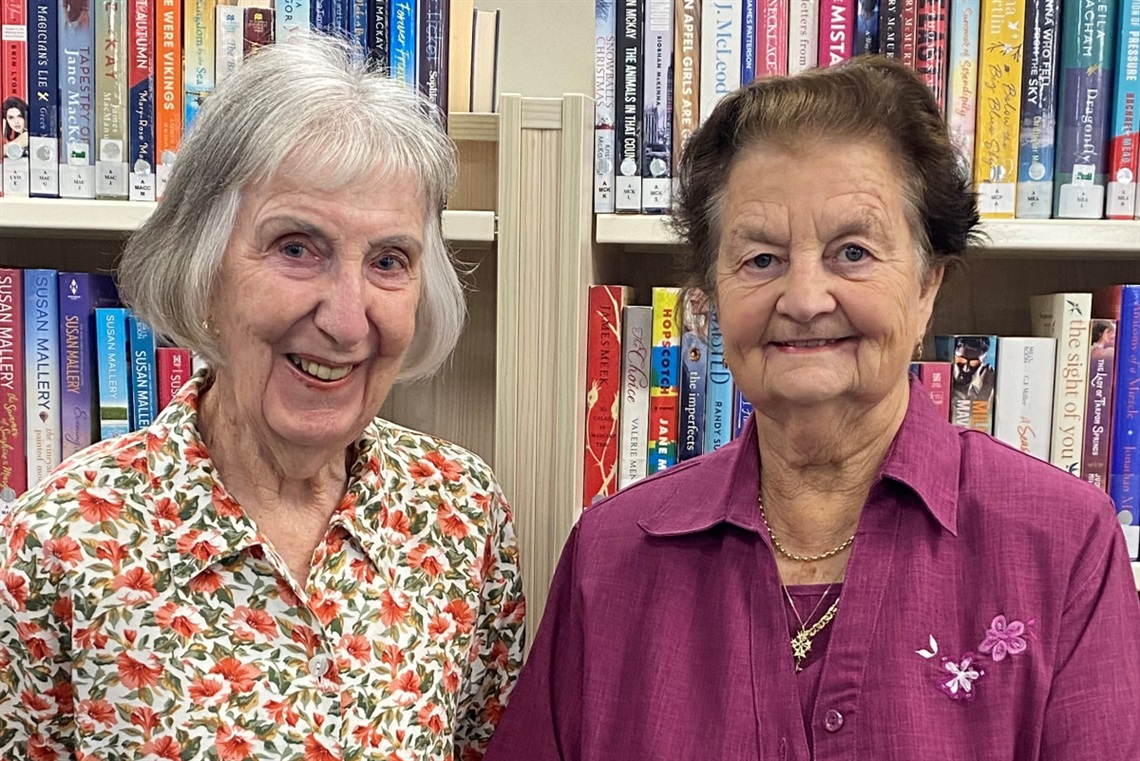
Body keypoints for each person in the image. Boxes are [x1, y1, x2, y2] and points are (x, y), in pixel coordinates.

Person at [485, 56, 1140, 760]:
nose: (802, 298)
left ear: (927, 288)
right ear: (708, 301)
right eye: (760, 259)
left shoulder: (1062, 544)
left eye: (851, 252)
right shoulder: (611, 557)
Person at [0, 34, 524, 760]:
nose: (346, 318)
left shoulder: (461, 516)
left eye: (388, 261)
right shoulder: (57, 544)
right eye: (297, 247)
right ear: (204, 265)